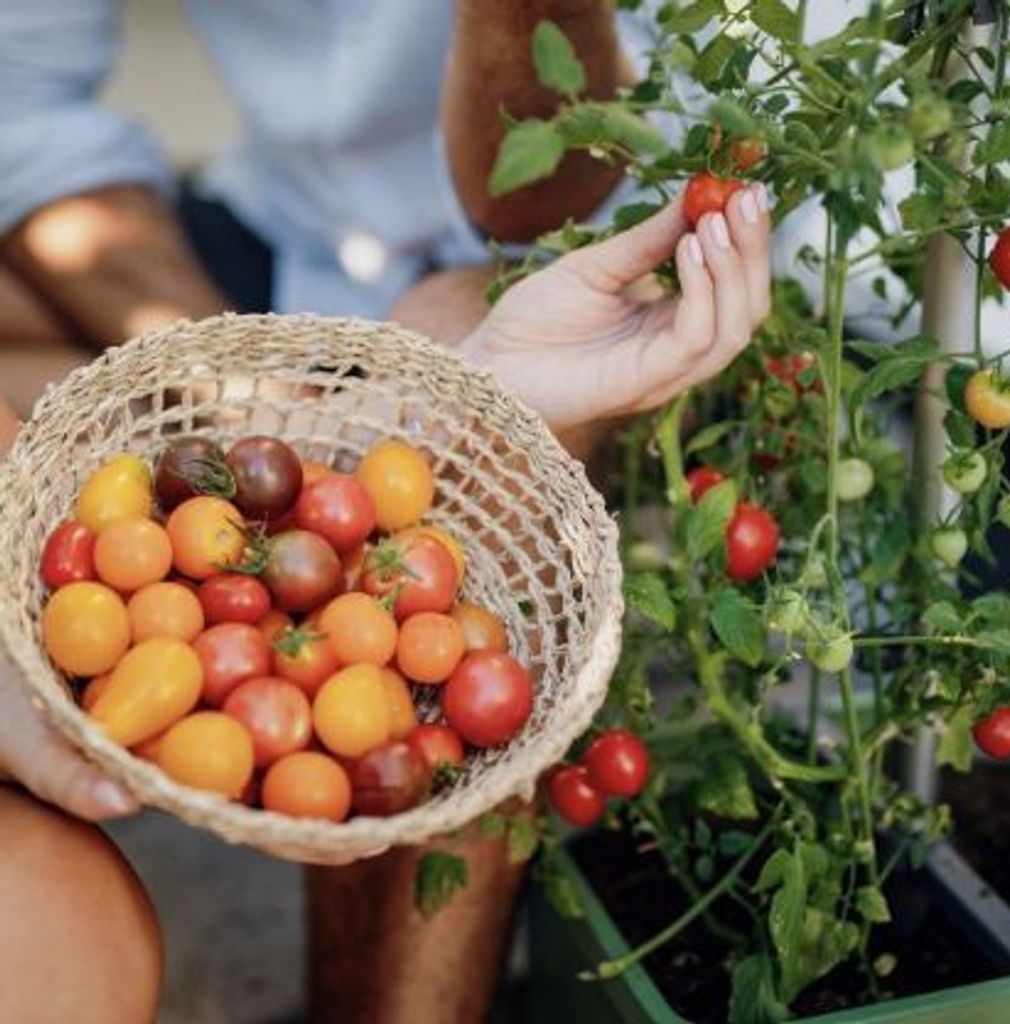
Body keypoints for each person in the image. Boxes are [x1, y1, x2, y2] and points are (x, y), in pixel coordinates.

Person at [0, 3, 772, 1021]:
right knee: (67, 942)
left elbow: (543, 193)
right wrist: (220, 381)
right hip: (290, 229)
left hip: (589, 249)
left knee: (74, 946)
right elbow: (24, 105)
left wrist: (441, 399)